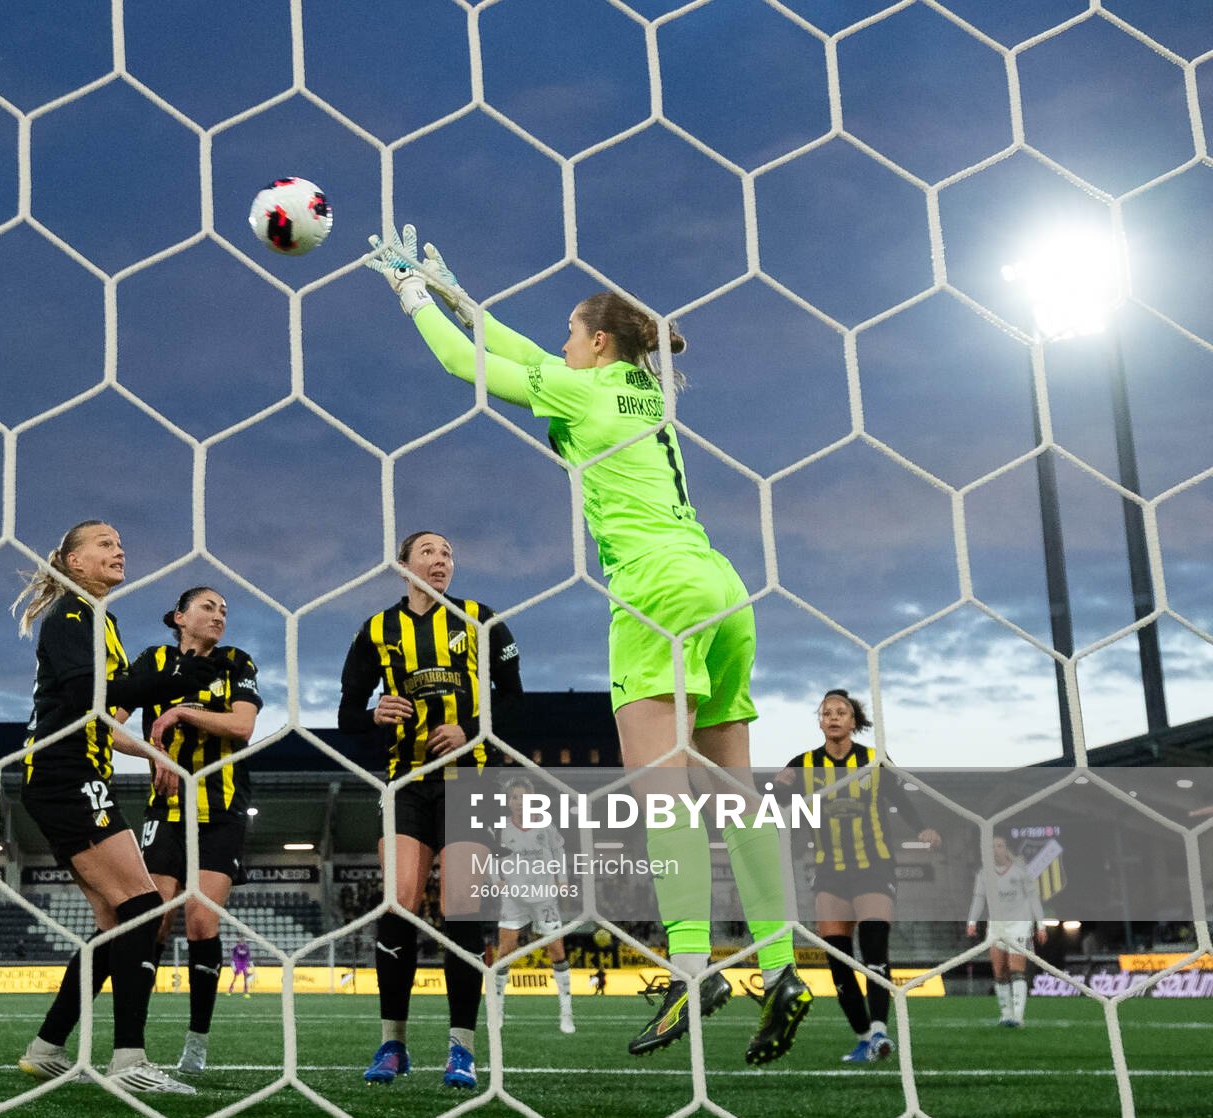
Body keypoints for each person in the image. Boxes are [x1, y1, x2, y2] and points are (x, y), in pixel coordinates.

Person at [367, 229, 810, 1066]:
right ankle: (782, 966)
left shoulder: (587, 394)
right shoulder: (646, 391)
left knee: (665, 795)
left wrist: (414, 300)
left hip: (653, 590)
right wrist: (463, 295)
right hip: (722, 585)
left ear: (599, 343)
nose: (562, 345)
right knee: (734, 794)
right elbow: (528, 351)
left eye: (572, 333)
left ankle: (689, 971)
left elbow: (470, 370)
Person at [11, 521, 223, 1095]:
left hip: (82, 774)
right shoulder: (72, 616)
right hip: (65, 776)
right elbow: (90, 696)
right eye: (104, 543)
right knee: (143, 906)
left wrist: (152, 748)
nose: (118, 549)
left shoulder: (99, 621)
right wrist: (168, 675)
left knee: (113, 923)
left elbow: (101, 716)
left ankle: (46, 1047)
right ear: (74, 562)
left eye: (120, 542)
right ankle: (129, 1060)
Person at [338, 530, 522, 1091]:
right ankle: (393, 1044)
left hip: (472, 778)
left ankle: (461, 1050)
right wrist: (374, 714)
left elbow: (513, 698)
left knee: (463, 907)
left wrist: (469, 729)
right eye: (429, 553)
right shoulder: (376, 629)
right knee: (398, 904)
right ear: (404, 566)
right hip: (404, 782)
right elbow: (347, 711)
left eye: (447, 554)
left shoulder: (482, 619)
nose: (441, 560)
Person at [132, 586, 262, 1075]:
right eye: (208, 606)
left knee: (201, 923)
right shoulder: (154, 662)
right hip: (164, 809)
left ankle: (196, 1046)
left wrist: (181, 712)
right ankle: (133, 1045)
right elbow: (111, 726)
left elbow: (243, 726)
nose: (219, 615)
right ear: (179, 617)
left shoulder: (236, 661)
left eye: (225, 609)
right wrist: (152, 752)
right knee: (152, 922)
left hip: (222, 809)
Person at [781, 690, 939, 1064]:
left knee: (874, 949)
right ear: (820, 721)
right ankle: (865, 1036)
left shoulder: (873, 761)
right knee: (838, 960)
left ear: (854, 721)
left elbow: (901, 799)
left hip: (874, 865)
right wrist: (775, 783)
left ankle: (881, 1029)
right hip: (829, 870)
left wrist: (922, 829)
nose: (834, 717)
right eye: (827, 712)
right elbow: (772, 798)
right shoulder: (803, 763)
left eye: (842, 712)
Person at [490, 782, 577, 1035]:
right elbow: (491, 857)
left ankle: (566, 1012)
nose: (519, 801)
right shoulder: (501, 829)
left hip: (545, 897)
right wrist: (496, 880)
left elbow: (559, 853)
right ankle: (497, 1012)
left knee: (556, 950)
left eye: (524, 797)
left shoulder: (545, 826)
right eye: (515, 797)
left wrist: (562, 880)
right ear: (508, 802)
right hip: (513, 898)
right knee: (505, 950)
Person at [967, 835, 1045, 1028]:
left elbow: (1034, 898)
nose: (995, 850)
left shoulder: (1020, 872)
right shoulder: (984, 874)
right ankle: (1006, 1014)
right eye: (991, 847)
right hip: (997, 926)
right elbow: (979, 898)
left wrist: (1041, 925)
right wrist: (972, 921)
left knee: (1016, 969)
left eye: (999, 846)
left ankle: (1018, 1017)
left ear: (1006, 849)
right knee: (1000, 971)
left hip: (1020, 924)